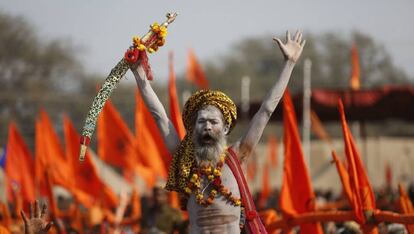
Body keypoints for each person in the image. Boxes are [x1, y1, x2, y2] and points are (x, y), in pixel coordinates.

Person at [132, 31, 305, 233]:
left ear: (224, 128)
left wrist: (289, 64)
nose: (207, 126)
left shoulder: (237, 155)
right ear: (193, 128)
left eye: (213, 121)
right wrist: (139, 74)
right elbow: (159, 116)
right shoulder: (184, 161)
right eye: (201, 121)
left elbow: (266, 110)